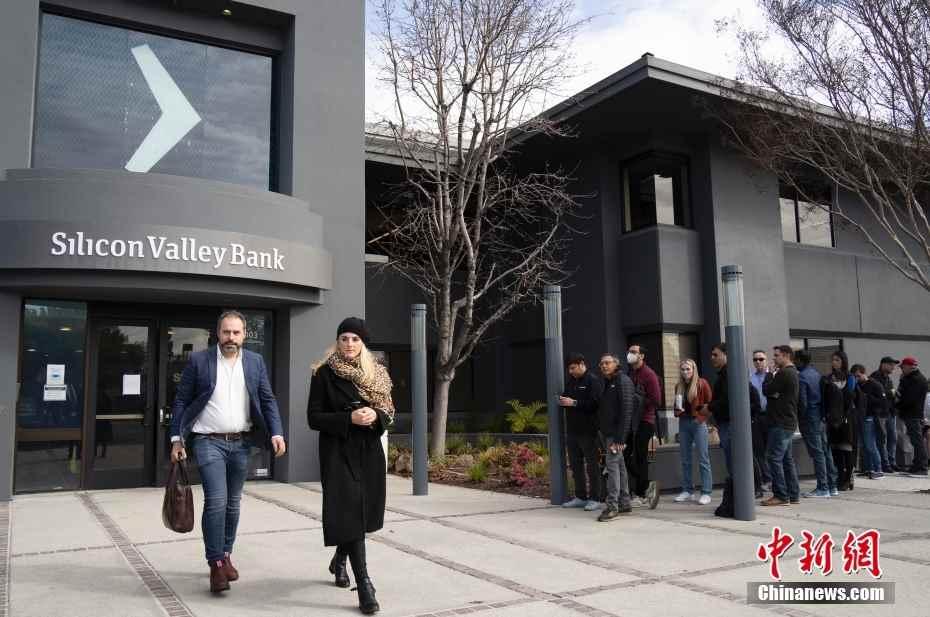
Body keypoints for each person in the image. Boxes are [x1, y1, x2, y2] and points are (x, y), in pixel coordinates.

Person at [170, 310, 286, 593]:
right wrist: (176, 439)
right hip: (208, 442)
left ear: (244, 335)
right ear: (217, 333)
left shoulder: (255, 362)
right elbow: (182, 400)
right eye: (226, 332)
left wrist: (276, 432)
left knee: (233, 503)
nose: (230, 337)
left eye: (236, 332)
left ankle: (225, 553)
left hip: (241, 443)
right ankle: (216, 564)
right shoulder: (200, 361)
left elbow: (267, 399)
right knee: (217, 501)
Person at [308, 317, 394, 615]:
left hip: (368, 451)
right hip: (337, 452)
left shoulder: (378, 374)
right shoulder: (323, 373)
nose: (349, 344)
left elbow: (388, 413)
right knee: (349, 511)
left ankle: (339, 559)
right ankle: (365, 585)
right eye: (344, 338)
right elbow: (313, 418)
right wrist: (349, 418)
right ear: (337, 341)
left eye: (355, 339)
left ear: (363, 343)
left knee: (361, 515)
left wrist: (375, 416)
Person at [559, 353, 605, 512]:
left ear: (581, 364)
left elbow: (595, 404)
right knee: (575, 465)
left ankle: (595, 498)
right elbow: (566, 397)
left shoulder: (593, 381)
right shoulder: (571, 381)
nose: (570, 371)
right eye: (569, 369)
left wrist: (574, 403)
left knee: (592, 465)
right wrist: (563, 400)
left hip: (588, 431)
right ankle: (580, 497)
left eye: (573, 368)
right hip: (573, 431)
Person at [595, 353, 635, 521]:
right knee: (620, 466)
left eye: (607, 363)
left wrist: (620, 438)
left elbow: (627, 411)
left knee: (612, 467)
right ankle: (625, 502)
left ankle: (612, 506)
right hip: (609, 433)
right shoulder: (609, 382)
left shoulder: (622, 381)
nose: (604, 366)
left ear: (616, 364)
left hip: (616, 435)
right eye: (601, 364)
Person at [761, 345, 800, 506]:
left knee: (773, 458)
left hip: (780, 423)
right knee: (786, 459)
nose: (774, 358)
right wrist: (774, 394)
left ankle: (781, 495)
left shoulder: (784, 373)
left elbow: (767, 390)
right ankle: (793, 494)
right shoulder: (793, 372)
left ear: (786, 356)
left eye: (777, 355)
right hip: (787, 422)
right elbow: (774, 393)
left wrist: (769, 374)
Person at [625, 343, 662, 509]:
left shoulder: (649, 375)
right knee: (624, 456)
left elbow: (656, 400)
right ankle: (646, 484)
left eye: (634, 352)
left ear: (642, 356)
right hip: (630, 422)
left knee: (640, 457)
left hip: (645, 421)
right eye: (629, 351)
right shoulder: (630, 373)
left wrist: (638, 401)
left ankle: (641, 494)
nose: (630, 354)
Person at [672, 359, 713, 505]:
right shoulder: (679, 386)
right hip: (684, 423)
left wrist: (701, 419)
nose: (685, 372)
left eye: (688, 369)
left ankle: (706, 492)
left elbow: (710, 404)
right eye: (683, 369)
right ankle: (687, 490)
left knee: (703, 458)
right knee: (685, 459)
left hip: (698, 423)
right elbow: (675, 406)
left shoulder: (702, 383)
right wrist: (678, 411)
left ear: (694, 370)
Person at [796, 350, 835, 497]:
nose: (794, 362)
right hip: (819, 417)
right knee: (825, 451)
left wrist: (799, 418)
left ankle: (823, 487)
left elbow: (803, 403)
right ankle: (832, 485)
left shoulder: (802, 377)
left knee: (817, 453)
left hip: (810, 418)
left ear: (800, 360)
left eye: (795, 360)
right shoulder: (816, 373)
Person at [824, 350, 857, 491]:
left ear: (843, 362)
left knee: (846, 448)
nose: (834, 362)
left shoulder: (850, 377)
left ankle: (848, 478)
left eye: (837, 360)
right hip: (832, 418)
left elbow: (849, 397)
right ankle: (840, 477)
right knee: (835, 449)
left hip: (846, 417)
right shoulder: (828, 378)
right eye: (833, 360)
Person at [851, 364, 886, 480]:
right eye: (855, 377)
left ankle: (878, 470)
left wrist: (867, 397)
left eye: (858, 376)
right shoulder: (857, 385)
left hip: (870, 417)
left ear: (863, 373)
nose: (856, 378)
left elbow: (882, 402)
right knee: (864, 445)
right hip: (861, 417)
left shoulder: (875, 384)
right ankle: (868, 469)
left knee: (870, 444)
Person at [896, 356, 929, 476]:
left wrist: (898, 405)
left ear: (909, 367)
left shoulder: (915, 380)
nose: (902, 370)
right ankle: (917, 465)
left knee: (917, 441)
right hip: (913, 413)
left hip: (912, 414)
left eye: (903, 367)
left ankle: (922, 466)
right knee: (916, 440)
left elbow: (909, 398)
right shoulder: (916, 378)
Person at [705, 343, 733, 478]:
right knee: (731, 458)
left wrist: (709, 407)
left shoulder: (728, 373)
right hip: (724, 423)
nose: (712, 358)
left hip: (729, 423)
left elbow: (726, 399)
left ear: (726, 355)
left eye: (715, 355)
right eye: (712, 355)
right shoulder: (724, 374)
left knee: (733, 458)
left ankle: (747, 486)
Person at [871, 357, 899, 472]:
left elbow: (890, 395)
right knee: (882, 439)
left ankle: (892, 462)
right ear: (883, 364)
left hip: (890, 412)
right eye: (891, 364)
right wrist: (890, 392)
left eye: (894, 365)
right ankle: (885, 464)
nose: (893, 367)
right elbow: (877, 394)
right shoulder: (874, 377)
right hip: (880, 413)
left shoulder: (888, 379)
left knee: (893, 438)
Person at [750, 350, 772, 488]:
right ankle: (767, 479)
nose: (758, 362)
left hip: (771, 416)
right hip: (757, 417)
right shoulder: (750, 378)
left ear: (766, 360)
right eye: (755, 359)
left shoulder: (772, 376)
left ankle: (775, 479)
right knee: (759, 450)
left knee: (772, 449)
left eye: (761, 359)